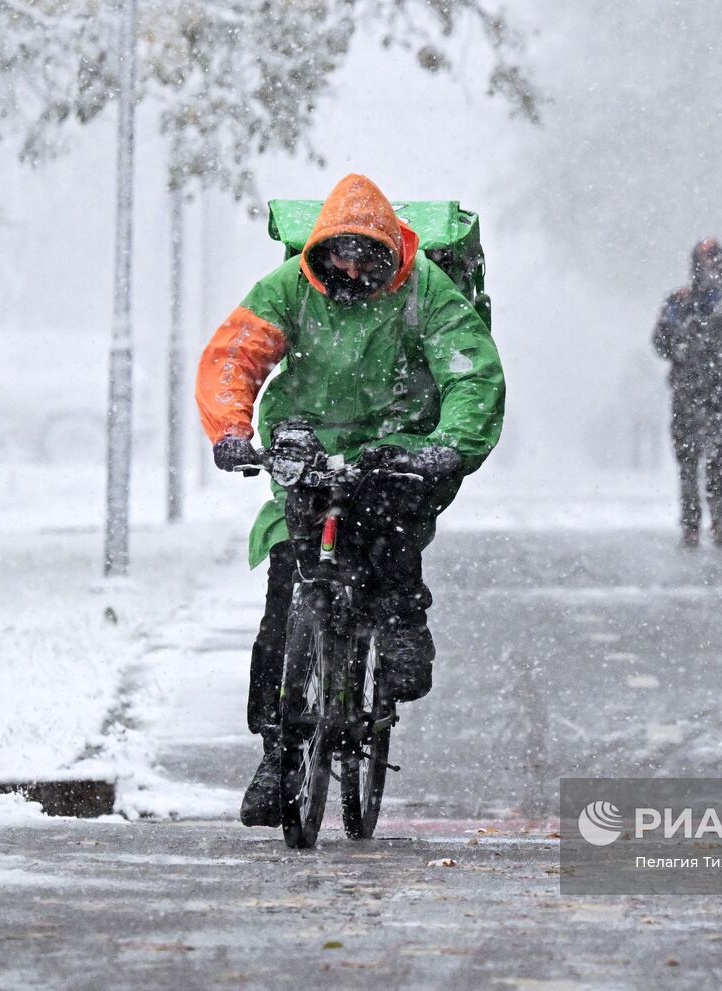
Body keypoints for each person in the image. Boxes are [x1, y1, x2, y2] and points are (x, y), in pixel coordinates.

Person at [195, 173, 505, 826]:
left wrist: (449, 442)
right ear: (318, 252)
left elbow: (469, 370)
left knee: (389, 532)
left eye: (367, 254)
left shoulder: (426, 291)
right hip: (304, 443)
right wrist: (230, 429)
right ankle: (277, 755)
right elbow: (237, 356)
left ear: (392, 252)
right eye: (339, 253)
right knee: (285, 600)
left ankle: (401, 625)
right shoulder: (289, 292)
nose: (351, 267)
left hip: (395, 440)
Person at [652, 239, 722, 548]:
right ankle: (693, 522)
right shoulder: (680, 302)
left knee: (716, 458)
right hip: (691, 390)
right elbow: (661, 340)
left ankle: (716, 519)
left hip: (717, 390)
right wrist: (682, 348)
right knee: (690, 460)